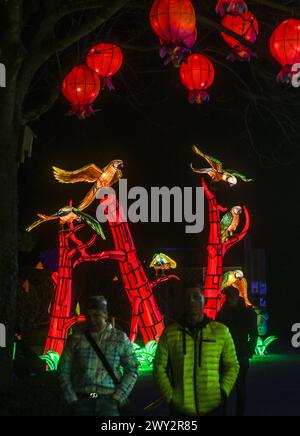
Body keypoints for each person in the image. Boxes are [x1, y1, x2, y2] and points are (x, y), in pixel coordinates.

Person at [153, 283, 240, 416]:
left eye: (196, 297)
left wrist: (223, 391)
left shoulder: (220, 331)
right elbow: (159, 367)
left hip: (214, 406)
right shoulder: (170, 333)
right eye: (187, 298)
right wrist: (170, 396)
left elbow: (232, 365)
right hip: (180, 408)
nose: (191, 301)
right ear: (183, 302)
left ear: (204, 299)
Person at [58, 295, 139, 416]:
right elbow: (63, 370)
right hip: (82, 401)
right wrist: (72, 399)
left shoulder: (120, 338)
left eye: (96, 315)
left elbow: (132, 369)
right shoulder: (76, 339)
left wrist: (117, 398)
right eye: (88, 316)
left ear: (105, 314)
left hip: (109, 401)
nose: (92, 320)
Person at [216, 287, 258, 416]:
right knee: (231, 387)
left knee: (238, 387)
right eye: (228, 296)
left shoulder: (244, 313)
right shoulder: (224, 313)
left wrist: (248, 351)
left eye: (230, 296)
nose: (229, 298)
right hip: (229, 354)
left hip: (238, 353)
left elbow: (253, 334)